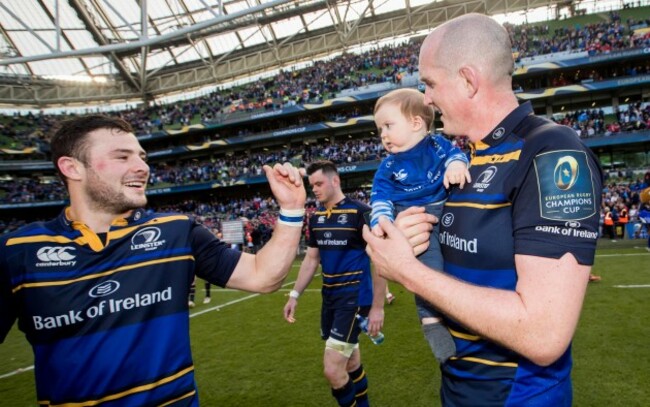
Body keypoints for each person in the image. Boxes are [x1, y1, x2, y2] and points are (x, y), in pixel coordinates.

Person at [362, 13, 603, 406]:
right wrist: (411, 236)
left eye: (430, 83)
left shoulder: (552, 152)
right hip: (457, 387)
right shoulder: (457, 159)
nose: (426, 98)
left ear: (468, 80)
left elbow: (543, 334)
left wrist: (406, 272)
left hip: (518, 396)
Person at [0, 115, 306, 407]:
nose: (142, 167)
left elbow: (262, 276)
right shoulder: (18, 251)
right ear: (72, 167)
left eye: (142, 157)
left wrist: (291, 208)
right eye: (123, 157)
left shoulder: (176, 231)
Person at [370, 88, 471, 363]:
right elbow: (379, 198)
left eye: (388, 126)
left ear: (416, 123)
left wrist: (456, 166)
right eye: (380, 129)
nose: (383, 135)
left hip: (447, 212)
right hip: (416, 222)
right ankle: (438, 338)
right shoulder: (387, 166)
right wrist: (382, 223)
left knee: (459, 274)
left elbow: (458, 156)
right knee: (429, 277)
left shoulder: (438, 145)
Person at [283, 160, 385, 407]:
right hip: (330, 299)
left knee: (332, 369)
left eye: (319, 183)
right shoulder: (316, 218)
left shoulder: (361, 213)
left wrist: (378, 307)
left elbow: (380, 261)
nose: (315, 189)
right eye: (312, 185)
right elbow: (311, 259)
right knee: (350, 363)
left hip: (354, 299)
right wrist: (294, 295)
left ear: (335, 180)